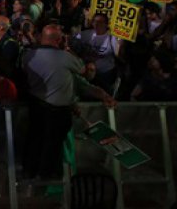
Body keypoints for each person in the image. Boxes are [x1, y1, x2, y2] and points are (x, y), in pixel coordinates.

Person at [23, 25, 117, 179]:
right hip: (57, 111)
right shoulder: (65, 57)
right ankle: (47, 178)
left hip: (37, 106)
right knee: (52, 147)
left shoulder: (28, 56)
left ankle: (31, 174)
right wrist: (68, 50)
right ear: (59, 40)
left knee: (35, 141)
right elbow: (83, 72)